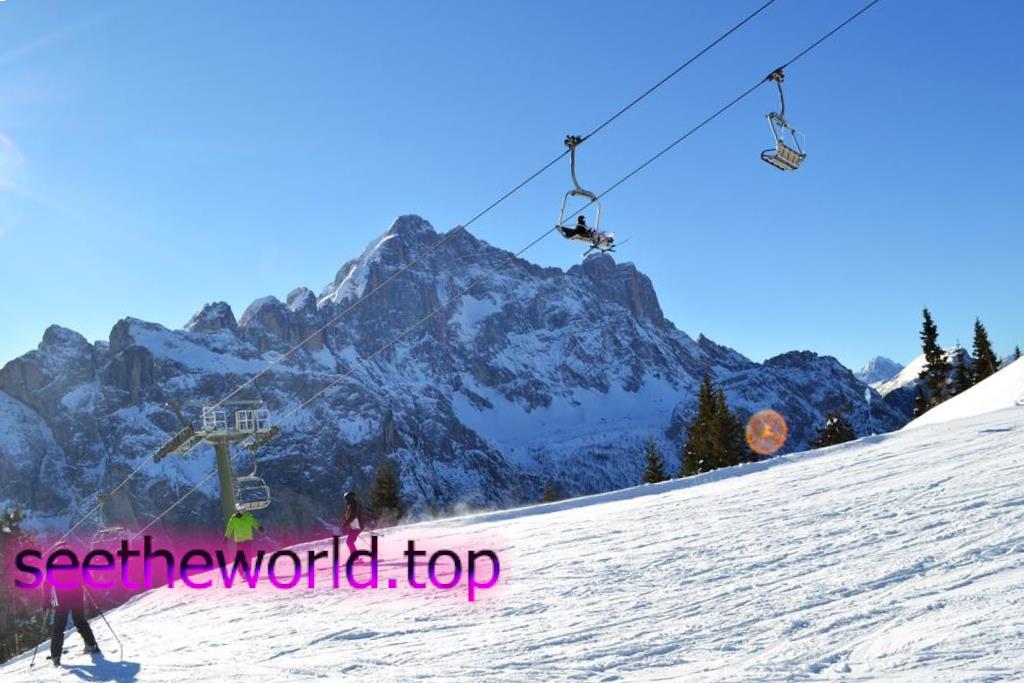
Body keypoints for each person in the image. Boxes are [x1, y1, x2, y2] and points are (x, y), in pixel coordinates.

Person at [45, 567, 100, 666]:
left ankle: (55, 656)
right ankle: (92, 645)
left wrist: (46, 601)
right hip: (77, 595)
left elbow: (46, 584)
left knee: (59, 626)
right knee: (80, 621)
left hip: (61, 597)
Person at [340, 491, 365, 555]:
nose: (346, 500)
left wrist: (346, 523)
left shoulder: (353, 504)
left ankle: (355, 558)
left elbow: (353, 515)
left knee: (349, 542)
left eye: (346, 498)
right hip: (356, 525)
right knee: (350, 542)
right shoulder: (352, 504)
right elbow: (351, 515)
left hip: (357, 526)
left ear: (350, 497)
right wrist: (347, 523)